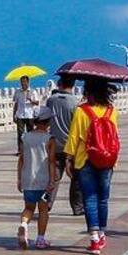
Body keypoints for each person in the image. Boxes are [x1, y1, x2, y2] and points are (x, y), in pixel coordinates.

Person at [63, 80, 120, 255]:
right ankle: (102, 233)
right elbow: (115, 137)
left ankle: (94, 237)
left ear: (88, 92)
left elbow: (73, 137)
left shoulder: (82, 111)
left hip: (84, 160)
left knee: (90, 198)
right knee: (103, 198)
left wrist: (68, 159)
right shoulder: (112, 111)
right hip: (107, 160)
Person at [43, 77, 84, 216]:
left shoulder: (51, 100)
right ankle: (77, 207)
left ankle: (47, 204)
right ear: (73, 85)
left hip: (54, 144)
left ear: (59, 84)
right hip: (70, 146)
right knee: (76, 178)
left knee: (53, 177)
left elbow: (45, 118)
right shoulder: (75, 103)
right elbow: (77, 125)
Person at [16, 117, 55, 250]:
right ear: (48, 123)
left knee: (29, 208)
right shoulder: (49, 139)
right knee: (43, 210)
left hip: (28, 179)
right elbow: (51, 161)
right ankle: (40, 239)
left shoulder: (25, 137)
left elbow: (21, 159)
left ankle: (24, 225)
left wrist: (19, 179)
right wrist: (52, 179)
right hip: (43, 181)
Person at [13, 76, 41, 155]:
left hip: (29, 115)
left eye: (25, 81)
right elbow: (16, 104)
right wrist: (14, 115)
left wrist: (31, 100)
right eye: (22, 82)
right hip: (20, 115)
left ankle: (31, 150)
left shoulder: (33, 91)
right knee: (20, 134)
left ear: (28, 82)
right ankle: (20, 150)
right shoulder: (18, 92)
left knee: (30, 133)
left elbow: (37, 103)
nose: (23, 83)